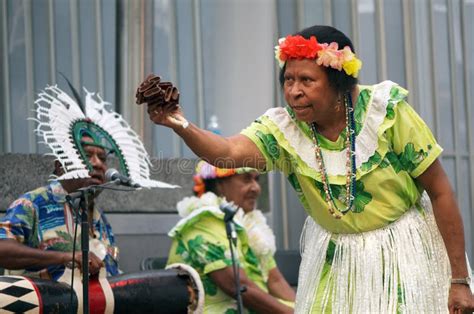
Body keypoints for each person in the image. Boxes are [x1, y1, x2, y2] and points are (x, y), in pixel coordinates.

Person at [138, 24, 474, 313]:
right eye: (288, 80)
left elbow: (441, 191)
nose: (294, 91)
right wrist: (179, 124)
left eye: (307, 80)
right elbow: (226, 152)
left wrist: (459, 279)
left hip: (402, 256)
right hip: (336, 262)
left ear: (339, 82)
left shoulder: (386, 113)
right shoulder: (283, 129)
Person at [167, 160, 295, 313]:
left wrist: (307, 309)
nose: (256, 188)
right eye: (247, 179)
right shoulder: (204, 222)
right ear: (219, 184)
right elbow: (239, 287)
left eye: (257, 179)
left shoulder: (248, 224)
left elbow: (275, 280)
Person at [0, 134, 118, 280]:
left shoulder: (99, 217)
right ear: (61, 166)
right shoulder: (32, 204)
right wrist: (64, 257)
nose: (98, 163)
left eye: (103, 158)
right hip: (45, 301)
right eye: (87, 155)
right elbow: (3, 250)